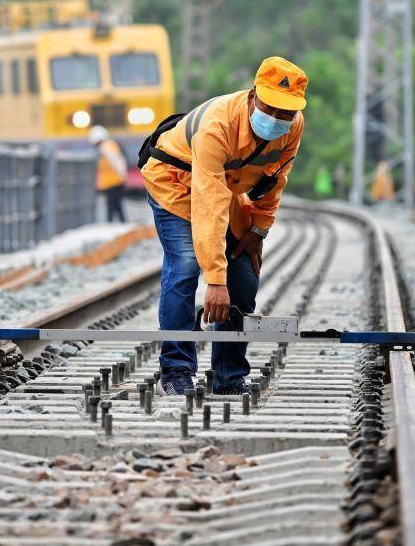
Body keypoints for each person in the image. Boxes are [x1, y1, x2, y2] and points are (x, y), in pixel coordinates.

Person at [140, 56, 306, 396]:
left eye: (285, 112)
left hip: (223, 191)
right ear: (253, 94)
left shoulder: (293, 126)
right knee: (186, 264)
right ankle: (176, 370)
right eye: (270, 107)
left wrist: (257, 231)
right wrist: (215, 280)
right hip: (175, 183)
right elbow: (208, 205)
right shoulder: (218, 126)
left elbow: (274, 180)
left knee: (244, 275)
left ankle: (228, 377)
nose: (276, 118)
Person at [90, 125, 127, 222]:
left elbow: (115, 161)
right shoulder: (110, 144)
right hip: (115, 179)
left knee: (111, 203)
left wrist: (121, 174)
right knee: (116, 203)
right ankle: (122, 221)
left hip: (113, 180)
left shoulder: (106, 147)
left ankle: (110, 222)